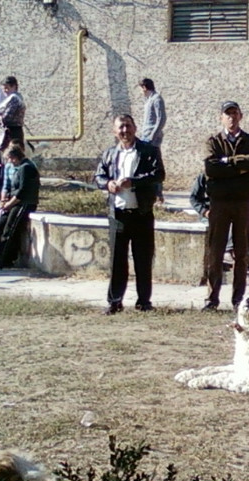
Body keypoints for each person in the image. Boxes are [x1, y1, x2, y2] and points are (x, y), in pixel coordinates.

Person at [94, 114, 164, 315]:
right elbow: (98, 176)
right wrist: (108, 184)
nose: (125, 131)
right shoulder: (109, 154)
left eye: (128, 126)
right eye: (121, 128)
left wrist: (133, 182)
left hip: (141, 213)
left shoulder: (148, 151)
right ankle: (115, 301)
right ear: (114, 131)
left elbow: (158, 174)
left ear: (135, 127)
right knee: (117, 261)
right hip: (118, 215)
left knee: (143, 259)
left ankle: (144, 301)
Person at [202, 101, 249, 311]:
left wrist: (227, 162)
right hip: (219, 203)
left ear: (241, 116)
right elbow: (211, 168)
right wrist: (239, 167)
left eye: (235, 113)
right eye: (227, 114)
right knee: (215, 252)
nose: (231, 118)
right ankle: (212, 299)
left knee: (242, 252)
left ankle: (238, 300)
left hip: (243, 202)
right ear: (221, 117)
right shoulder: (213, 141)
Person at [0, 145, 40, 269]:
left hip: (23, 204)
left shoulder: (26, 168)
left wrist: (10, 204)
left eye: (9, 159)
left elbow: (22, 191)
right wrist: (5, 201)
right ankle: (0, 255)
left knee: (9, 231)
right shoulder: (19, 168)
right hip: (14, 202)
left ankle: (4, 260)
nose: (9, 162)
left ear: (14, 158)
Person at [139, 78, 167, 204]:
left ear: (144, 87)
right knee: (148, 165)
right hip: (146, 136)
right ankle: (153, 193)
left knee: (155, 165)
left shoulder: (157, 99)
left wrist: (152, 136)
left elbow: (161, 119)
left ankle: (158, 195)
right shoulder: (149, 100)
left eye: (141, 88)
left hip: (152, 138)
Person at [0, 76, 26, 149]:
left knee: (11, 155)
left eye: (7, 88)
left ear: (14, 87)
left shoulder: (14, 98)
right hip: (14, 131)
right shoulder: (16, 97)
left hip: (11, 132)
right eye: (3, 89)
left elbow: (7, 118)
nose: (5, 91)